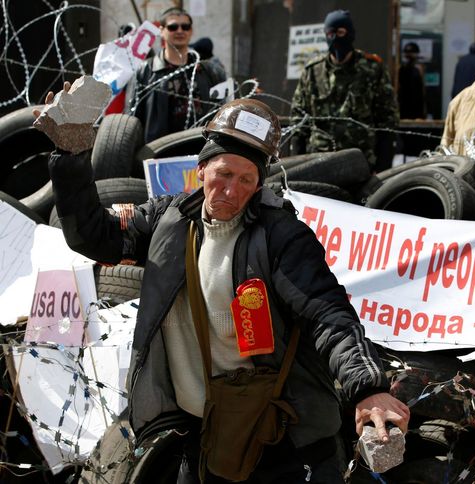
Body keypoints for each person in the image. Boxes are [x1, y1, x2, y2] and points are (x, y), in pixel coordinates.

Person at [39, 86, 409, 483]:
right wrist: (71, 156)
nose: (232, 191)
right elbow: (93, 236)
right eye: (224, 175)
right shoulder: (169, 222)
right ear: (201, 170)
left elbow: (328, 315)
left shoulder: (281, 237)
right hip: (202, 436)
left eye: (247, 180)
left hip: (281, 440)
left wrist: (367, 388)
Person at [289, 9, 399, 173]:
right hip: (318, 162)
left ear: (350, 34)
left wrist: (383, 168)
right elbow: (299, 121)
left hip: (360, 163)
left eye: (340, 32)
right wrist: (297, 164)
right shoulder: (313, 72)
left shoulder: (371, 70)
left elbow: (388, 120)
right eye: (330, 33)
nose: (334, 38)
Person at [125, 7, 226, 143]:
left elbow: (222, 112)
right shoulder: (145, 71)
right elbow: (132, 119)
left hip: (201, 148)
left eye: (185, 27)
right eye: (173, 27)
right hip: (159, 151)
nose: (180, 31)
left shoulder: (208, 70)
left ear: (191, 31)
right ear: (161, 30)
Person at [398, 42, 426, 119]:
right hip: (405, 104)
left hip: (416, 105)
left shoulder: (418, 68)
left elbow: (423, 90)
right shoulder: (401, 69)